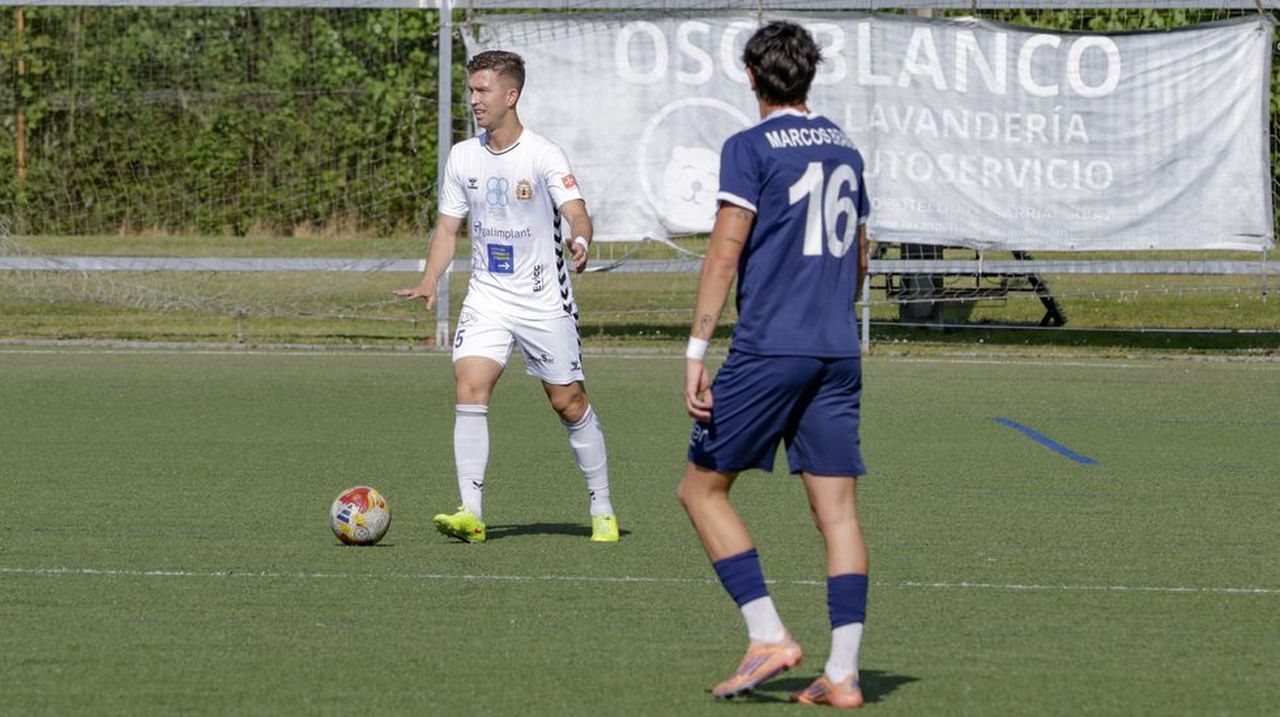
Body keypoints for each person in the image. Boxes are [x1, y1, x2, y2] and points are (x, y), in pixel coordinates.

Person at [676, 21, 871, 708]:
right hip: (837, 348)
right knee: (837, 513)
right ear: (810, 76)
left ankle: (768, 636)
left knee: (700, 490)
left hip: (769, 348)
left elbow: (725, 252)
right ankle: (842, 675)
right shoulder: (844, 146)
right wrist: (831, 316)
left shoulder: (749, 146)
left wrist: (697, 351)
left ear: (753, 78)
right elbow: (861, 253)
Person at [396, 50, 618, 544]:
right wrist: (432, 278)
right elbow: (448, 227)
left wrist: (580, 239)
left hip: (542, 299)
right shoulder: (463, 156)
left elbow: (577, 212)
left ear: (510, 96)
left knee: (568, 402)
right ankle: (471, 514)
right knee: (469, 385)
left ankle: (601, 505)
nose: (473, 99)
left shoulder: (543, 154)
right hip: (488, 298)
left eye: (482, 91)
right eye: (471, 90)